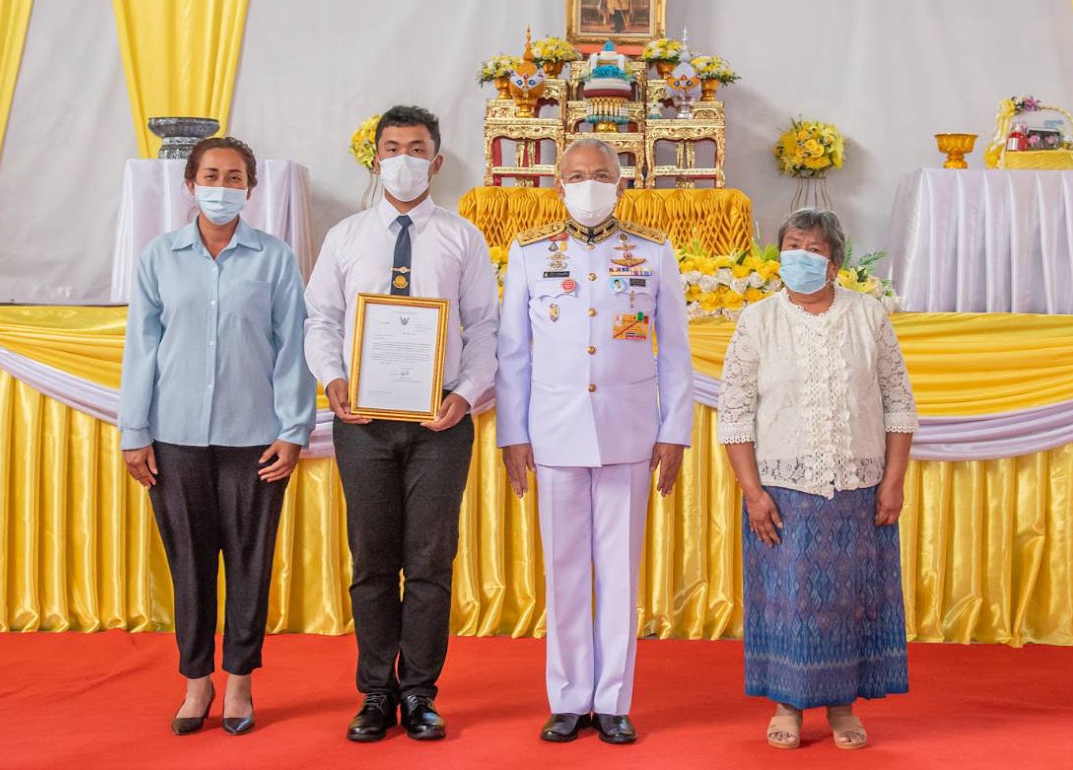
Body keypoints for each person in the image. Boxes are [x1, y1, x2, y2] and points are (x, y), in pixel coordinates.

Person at [304, 105, 500, 743]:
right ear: (376, 157)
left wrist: (468, 394)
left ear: (437, 162)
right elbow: (321, 322)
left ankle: (418, 692)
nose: (404, 159)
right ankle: (374, 693)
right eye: (393, 148)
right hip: (362, 419)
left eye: (417, 148)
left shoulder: (462, 238)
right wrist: (333, 379)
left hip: (440, 421)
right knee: (371, 560)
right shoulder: (346, 236)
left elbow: (487, 328)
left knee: (429, 561)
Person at [495, 138, 693, 745]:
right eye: (577, 175)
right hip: (553, 433)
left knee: (619, 570)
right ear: (558, 184)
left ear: (621, 183)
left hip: (628, 432)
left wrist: (675, 433)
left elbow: (676, 353)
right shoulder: (529, 253)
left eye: (601, 174)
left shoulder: (653, 253)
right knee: (563, 570)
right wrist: (513, 435)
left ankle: (611, 700)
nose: (589, 185)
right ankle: (567, 696)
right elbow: (513, 356)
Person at [119, 136, 315, 737]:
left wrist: (294, 430)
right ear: (189, 184)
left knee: (250, 562)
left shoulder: (275, 258)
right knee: (190, 563)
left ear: (250, 189)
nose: (222, 187)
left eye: (234, 178)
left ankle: (239, 681)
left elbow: (293, 348)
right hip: (175, 437)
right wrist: (135, 431)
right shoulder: (159, 257)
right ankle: (195, 681)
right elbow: (141, 348)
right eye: (211, 175)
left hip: (254, 437)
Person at [716, 208, 917, 751]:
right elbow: (733, 414)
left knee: (849, 599)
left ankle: (842, 707)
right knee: (789, 601)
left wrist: (893, 482)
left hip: (858, 487)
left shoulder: (868, 315)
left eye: (813, 248)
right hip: (782, 490)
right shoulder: (758, 320)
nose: (800, 256)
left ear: (834, 264)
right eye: (792, 245)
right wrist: (752, 493)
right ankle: (787, 704)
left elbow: (899, 404)